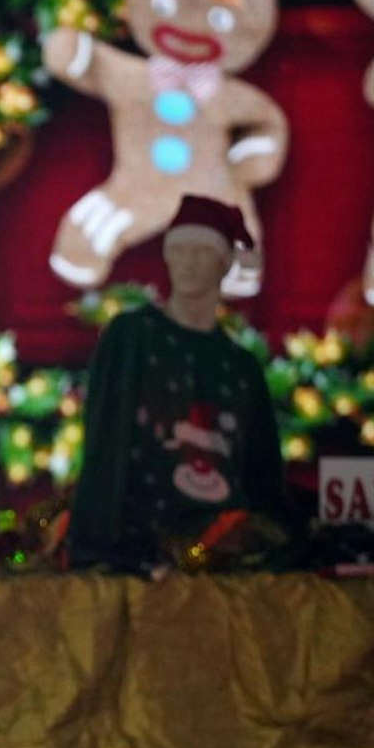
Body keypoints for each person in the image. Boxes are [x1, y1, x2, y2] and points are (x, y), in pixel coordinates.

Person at [66, 193, 289, 571]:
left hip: (221, 555)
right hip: (137, 550)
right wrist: (96, 540)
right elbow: (104, 441)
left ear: (224, 264)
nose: (187, 263)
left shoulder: (242, 367)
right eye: (179, 251)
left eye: (200, 252)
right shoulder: (131, 337)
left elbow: (262, 474)